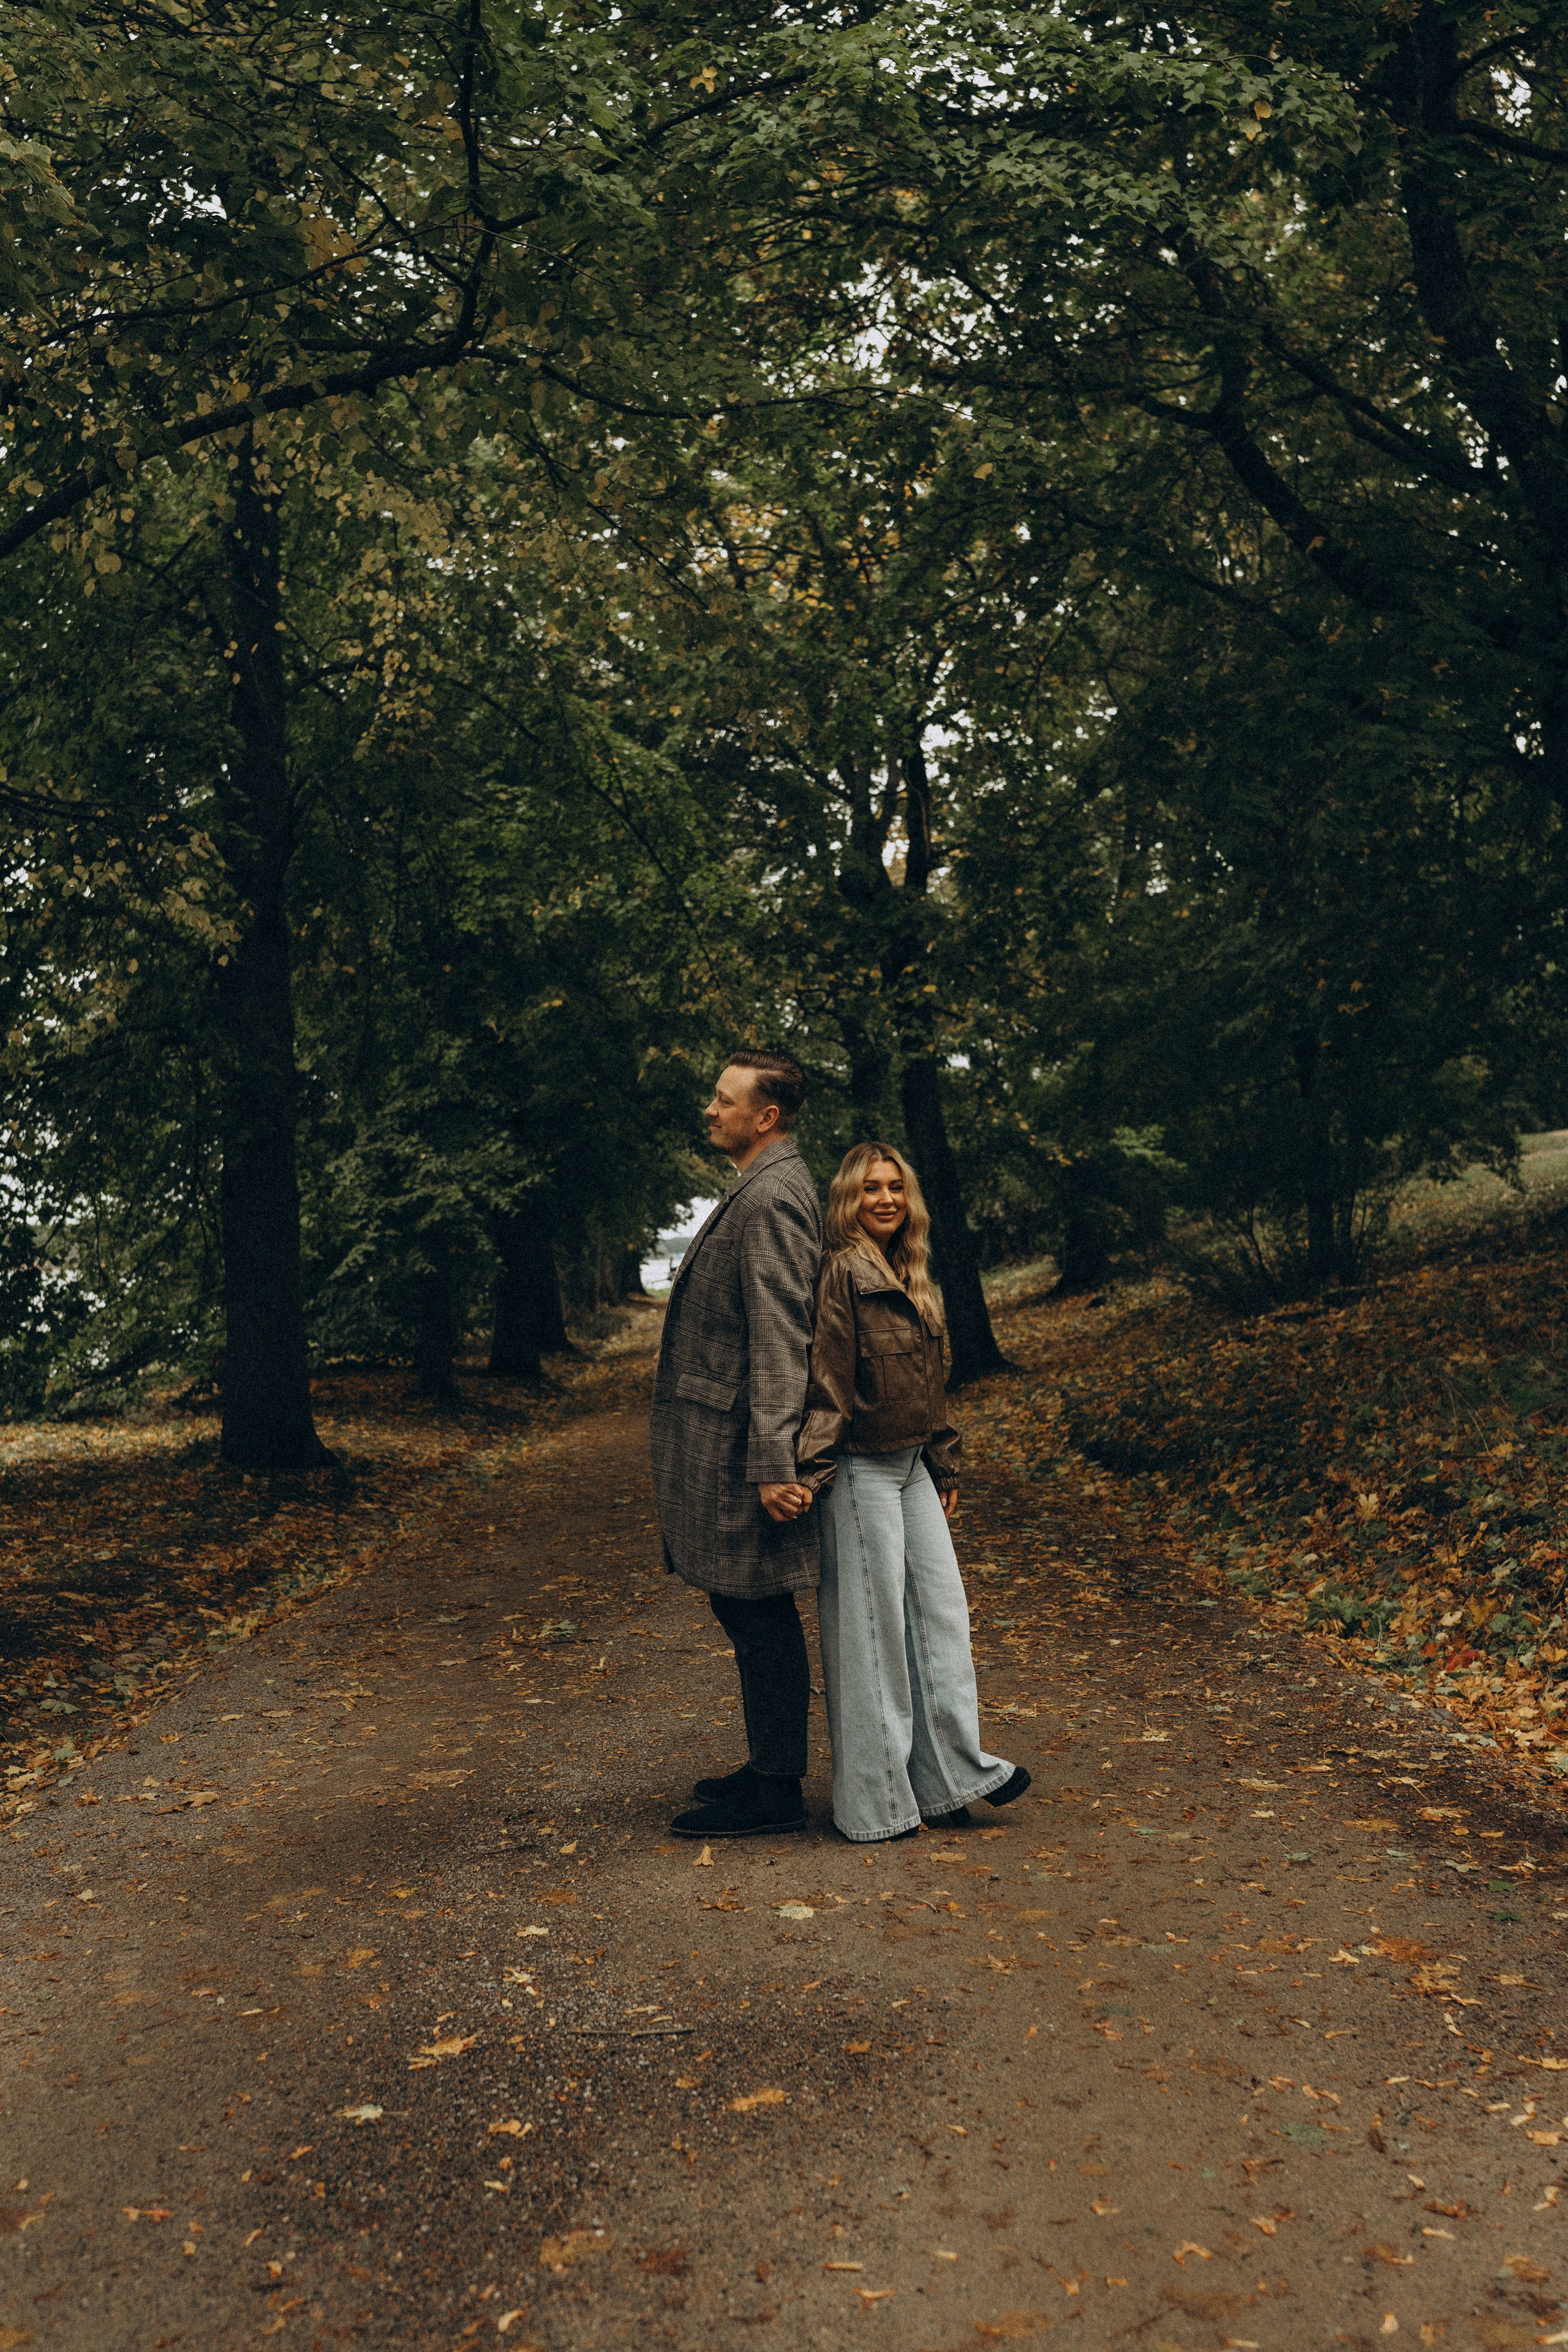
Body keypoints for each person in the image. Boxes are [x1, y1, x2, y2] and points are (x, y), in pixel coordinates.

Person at [796, 1142, 1031, 1844]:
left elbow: (929, 1383)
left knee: (938, 1621)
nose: (886, 1200)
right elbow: (828, 1377)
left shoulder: (909, 1270)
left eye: (896, 1187)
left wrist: (943, 1461)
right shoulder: (843, 1270)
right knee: (873, 1640)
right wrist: (809, 1470)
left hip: (911, 1468)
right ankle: (876, 1804)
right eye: (870, 1189)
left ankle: (949, 1778)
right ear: (848, 1199)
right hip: (860, 1468)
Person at [649, 1049, 823, 1838]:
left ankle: (778, 1788)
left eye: (725, 1102)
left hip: (741, 1446)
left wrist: (773, 1461)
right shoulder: (758, 1186)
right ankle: (767, 1763)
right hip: (721, 1437)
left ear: (767, 1118)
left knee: (757, 1609)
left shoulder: (776, 1197)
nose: (710, 1111)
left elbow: (784, 1337)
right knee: (742, 1605)